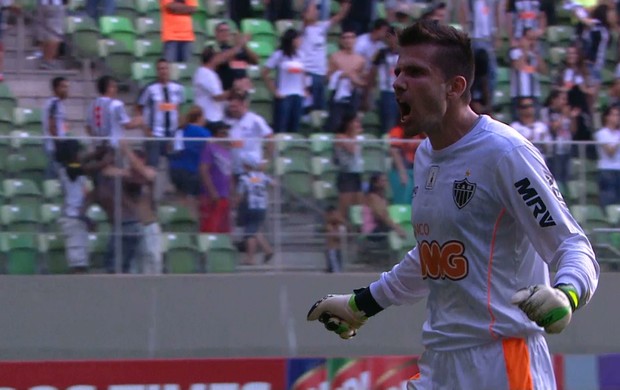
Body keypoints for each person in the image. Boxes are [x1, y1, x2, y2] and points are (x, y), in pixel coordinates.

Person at [307, 21, 599, 390]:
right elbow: (437, 252)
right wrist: (363, 303)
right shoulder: (426, 154)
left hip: (501, 364)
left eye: (415, 72)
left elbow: (573, 245)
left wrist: (567, 294)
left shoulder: (505, 153)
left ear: (455, 87)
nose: (398, 82)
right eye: (398, 71)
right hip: (440, 362)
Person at [300, 0, 351, 112]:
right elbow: (305, 20)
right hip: (308, 73)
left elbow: (340, 16)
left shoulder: (321, 27)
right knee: (308, 110)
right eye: (312, 10)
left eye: (316, 10)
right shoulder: (303, 30)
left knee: (320, 110)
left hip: (321, 74)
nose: (315, 12)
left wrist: (346, 3)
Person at [137, 58, 185, 169]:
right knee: (152, 168)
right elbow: (139, 107)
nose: (163, 71)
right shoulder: (150, 88)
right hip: (155, 135)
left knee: (175, 167)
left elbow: (179, 107)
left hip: (173, 134)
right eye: (160, 69)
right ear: (157, 71)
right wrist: (146, 129)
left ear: (169, 70)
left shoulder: (178, 87)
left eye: (165, 68)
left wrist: (179, 128)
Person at [261, 28, 305, 133]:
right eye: (298, 39)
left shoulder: (301, 55)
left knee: (294, 128)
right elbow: (265, 72)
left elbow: (303, 74)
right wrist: (275, 91)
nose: (301, 41)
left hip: (298, 95)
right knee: (281, 127)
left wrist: (304, 89)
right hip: (284, 95)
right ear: (293, 40)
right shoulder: (279, 55)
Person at [168, 105, 211, 212]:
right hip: (191, 171)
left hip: (175, 170)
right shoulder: (203, 132)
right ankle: (193, 224)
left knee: (181, 198)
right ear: (199, 117)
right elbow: (213, 149)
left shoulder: (179, 131)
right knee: (194, 201)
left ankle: (180, 219)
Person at [235, 154, 274, 265]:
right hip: (262, 206)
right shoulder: (262, 176)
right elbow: (274, 184)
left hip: (250, 207)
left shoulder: (244, 178)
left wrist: (235, 204)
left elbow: (240, 195)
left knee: (249, 233)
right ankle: (268, 250)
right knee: (255, 229)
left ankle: (250, 258)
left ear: (246, 165)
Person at [86, 75, 144, 148]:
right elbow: (128, 125)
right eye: (114, 86)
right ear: (108, 88)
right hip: (114, 145)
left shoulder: (92, 105)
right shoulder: (116, 104)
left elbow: (88, 127)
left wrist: (96, 139)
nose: (116, 89)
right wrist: (141, 120)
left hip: (98, 146)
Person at [199, 121, 233, 233]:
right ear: (215, 134)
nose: (225, 135)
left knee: (224, 227)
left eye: (227, 133)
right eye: (222, 133)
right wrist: (212, 191)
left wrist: (232, 192)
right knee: (210, 226)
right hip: (212, 195)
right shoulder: (209, 148)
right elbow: (204, 170)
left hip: (225, 195)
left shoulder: (227, 150)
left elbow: (229, 172)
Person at [333, 113, 363, 223]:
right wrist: (355, 135)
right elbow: (352, 149)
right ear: (348, 123)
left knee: (357, 208)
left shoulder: (356, 138)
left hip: (356, 174)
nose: (358, 124)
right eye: (356, 122)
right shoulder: (339, 137)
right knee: (344, 210)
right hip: (346, 175)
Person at [362, 172, 406, 243]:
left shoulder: (383, 198)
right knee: (395, 231)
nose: (385, 183)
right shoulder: (372, 197)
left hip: (381, 227)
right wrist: (397, 228)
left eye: (386, 180)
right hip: (372, 231)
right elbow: (381, 216)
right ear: (375, 183)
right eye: (382, 181)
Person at [43, 76, 69, 178]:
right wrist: (58, 143)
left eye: (67, 87)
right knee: (53, 174)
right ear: (56, 88)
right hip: (54, 146)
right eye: (63, 87)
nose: (66, 90)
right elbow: (51, 124)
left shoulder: (58, 103)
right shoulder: (54, 103)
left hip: (56, 145)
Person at [594, 105, 620, 208]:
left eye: (618, 115)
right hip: (607, 170)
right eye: (614, 115)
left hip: (619, 169)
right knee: (609, 200)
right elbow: (610, 152)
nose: (617, 117)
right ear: (607, 117)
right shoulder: (602, 133)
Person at [325, 205, 346, 273]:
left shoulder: (341, 226)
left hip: (339, 249)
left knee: (339, 267)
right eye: (333, 214)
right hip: (332, 250)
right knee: (335, 268)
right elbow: (336, 236)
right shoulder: (329, 226)